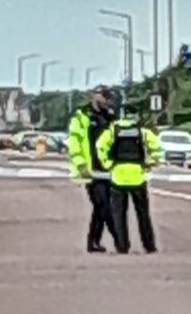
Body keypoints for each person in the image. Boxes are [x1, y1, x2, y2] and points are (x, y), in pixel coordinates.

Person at [96, 109, 163, 254]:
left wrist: (108, 164)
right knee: (143, 215)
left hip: (118, 178)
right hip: (137, 177)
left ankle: (122, 246)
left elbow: (100, 147)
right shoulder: (141, 131)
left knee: (119, 215)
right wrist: (151, 162)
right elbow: (156, 147)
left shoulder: (112, 131)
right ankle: (149, 245)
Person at [67, 85, 118, 253]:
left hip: (106, 168)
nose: (105, 99)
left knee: (99, 208)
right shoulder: (82, 115)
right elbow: (74, 140)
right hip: (89, 168)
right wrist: (80, 163)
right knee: (104, 205)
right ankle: (119, 240)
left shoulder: (110, 116)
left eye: (107, 96)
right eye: (103, 96)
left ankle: (93, 242)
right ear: (94, 96)